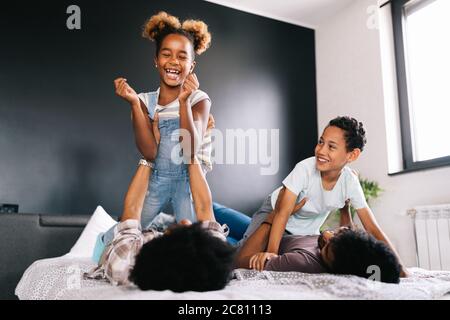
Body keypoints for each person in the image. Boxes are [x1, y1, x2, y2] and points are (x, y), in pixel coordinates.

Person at [237, 116, 408, 277]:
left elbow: (373, 228)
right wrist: (271, 253)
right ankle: (218, 214)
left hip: (305, 226)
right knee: (241, 252)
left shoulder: (349, 182)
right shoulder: (304, 169)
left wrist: (400, 268)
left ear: (352, 155)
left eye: (331, 146)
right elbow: (281, 214)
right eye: (321, 142)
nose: (321, 150)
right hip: (274, 212)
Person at [113, 11, 213, 229]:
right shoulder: (142, 101)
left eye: (182, 56)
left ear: (192, 66)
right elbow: (149, 153)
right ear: (156, 61)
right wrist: (133, 104)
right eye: (166, 54)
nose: (174, 61)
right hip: (155, 181)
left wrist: (184, 102)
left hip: (188, 184)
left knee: (199, 242)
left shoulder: (199, 100)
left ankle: (168, 232)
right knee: (120, 234)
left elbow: (190, 151)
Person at [85, 157, 235, 292]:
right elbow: (204, 207)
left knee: (138, 222)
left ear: (165, 240)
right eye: (192, 228)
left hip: (110, 244)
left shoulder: (125, 259)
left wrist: (147, 158)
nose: (186, 221)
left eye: (184, 229)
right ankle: (165, 220)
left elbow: (132, 208)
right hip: (162, 238)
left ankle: (162, 221)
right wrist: (192, 155)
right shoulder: (214, 257)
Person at [234, 199, 401, 284]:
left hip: (254, 242)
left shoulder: (301, 262)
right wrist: (345, 207)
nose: (326, 236)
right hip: (285, 233)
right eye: (338, 233)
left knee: (214, 210)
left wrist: (276, 216)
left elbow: (240, 261)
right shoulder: (347, 252)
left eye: (326, 249)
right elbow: (347, 231)